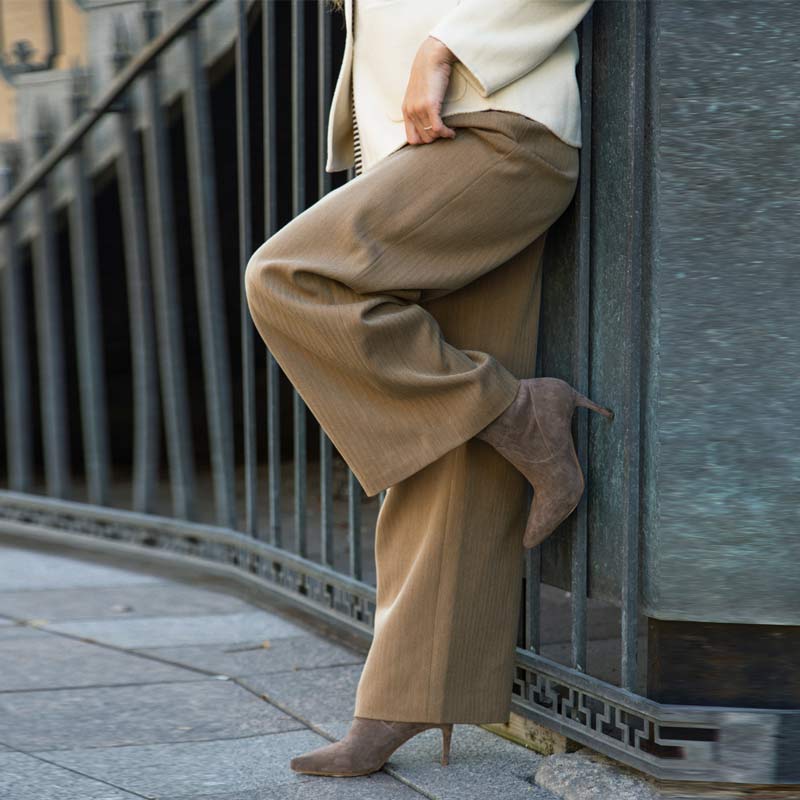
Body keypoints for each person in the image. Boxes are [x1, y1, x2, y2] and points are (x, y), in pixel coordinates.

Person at [244, 0, 611, 778]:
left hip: (496, 121)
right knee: (448, 437)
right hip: (428, 133)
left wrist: (452, 44)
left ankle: (517, 412)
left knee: (292, 278)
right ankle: (408, 694)